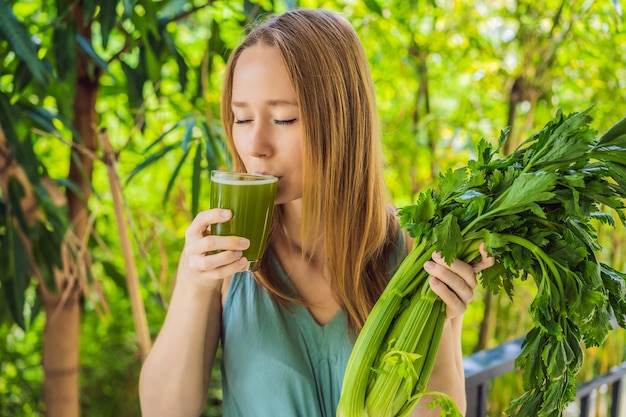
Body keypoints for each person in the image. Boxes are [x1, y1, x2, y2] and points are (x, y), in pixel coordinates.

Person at [139, 8, 493, 417]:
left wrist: (444, 321)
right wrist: (191, 284)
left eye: (284, 118)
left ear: (343, 119)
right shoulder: (223, 261)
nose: (255, 145)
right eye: (242, 118)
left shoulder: (414, 253)